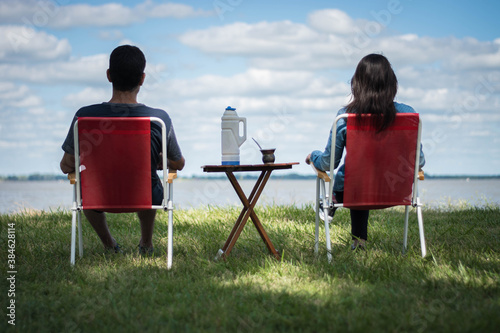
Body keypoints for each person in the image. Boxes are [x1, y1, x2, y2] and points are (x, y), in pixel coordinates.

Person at [60, 45, 185, 255]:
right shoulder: (157, 119)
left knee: (84, 185)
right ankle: (146, 243)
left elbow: (66, 165)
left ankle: (110, 246)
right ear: (142, 79)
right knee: (151, 181)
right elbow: (178, 163)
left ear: (109, 75)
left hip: (96, 196)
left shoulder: (85, 117)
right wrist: (155, 160)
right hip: (146, 196)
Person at [305, 53, 425, 251]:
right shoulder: (408, 114)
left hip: (352, 193)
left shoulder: (345, 116)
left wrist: (313, 156)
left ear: (357, 84)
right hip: (395, 190)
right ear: (391, 83)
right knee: (364, 177)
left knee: (356, 179)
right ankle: (357, 241)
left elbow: (328, 164)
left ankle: (335, 205)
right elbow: (418, 161)